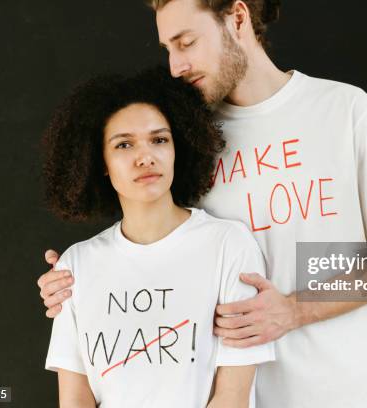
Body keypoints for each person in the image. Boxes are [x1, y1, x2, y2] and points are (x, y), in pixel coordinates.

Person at [38, 1, 367, 406]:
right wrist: (76, 286)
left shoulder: (347, 111)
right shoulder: (190, 141)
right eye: (167, 49)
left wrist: (295, 310)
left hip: (350, 394)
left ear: (238, 18)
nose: (175, 66)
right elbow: (158, 254)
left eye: (187, 42)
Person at [42, 67, 275, 408]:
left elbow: (232, 395)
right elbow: (74, 399)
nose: (146, 156)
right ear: (101, 162)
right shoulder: (75, 265)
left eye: (159, 139)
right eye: (124, 144)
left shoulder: (228, 245)